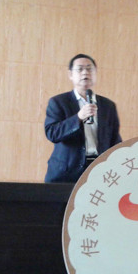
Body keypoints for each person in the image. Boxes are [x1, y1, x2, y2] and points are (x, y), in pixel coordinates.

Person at [44, 54, 122, 183]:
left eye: (89, 69)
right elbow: (52, 133)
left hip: (98, 172)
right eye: (80, 69)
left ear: (95, 73)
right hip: (65, 173)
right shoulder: (58, 102)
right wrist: (78, 117)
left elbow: (114, 140)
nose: (85, 72)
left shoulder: (108, 106)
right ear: (70, 74)